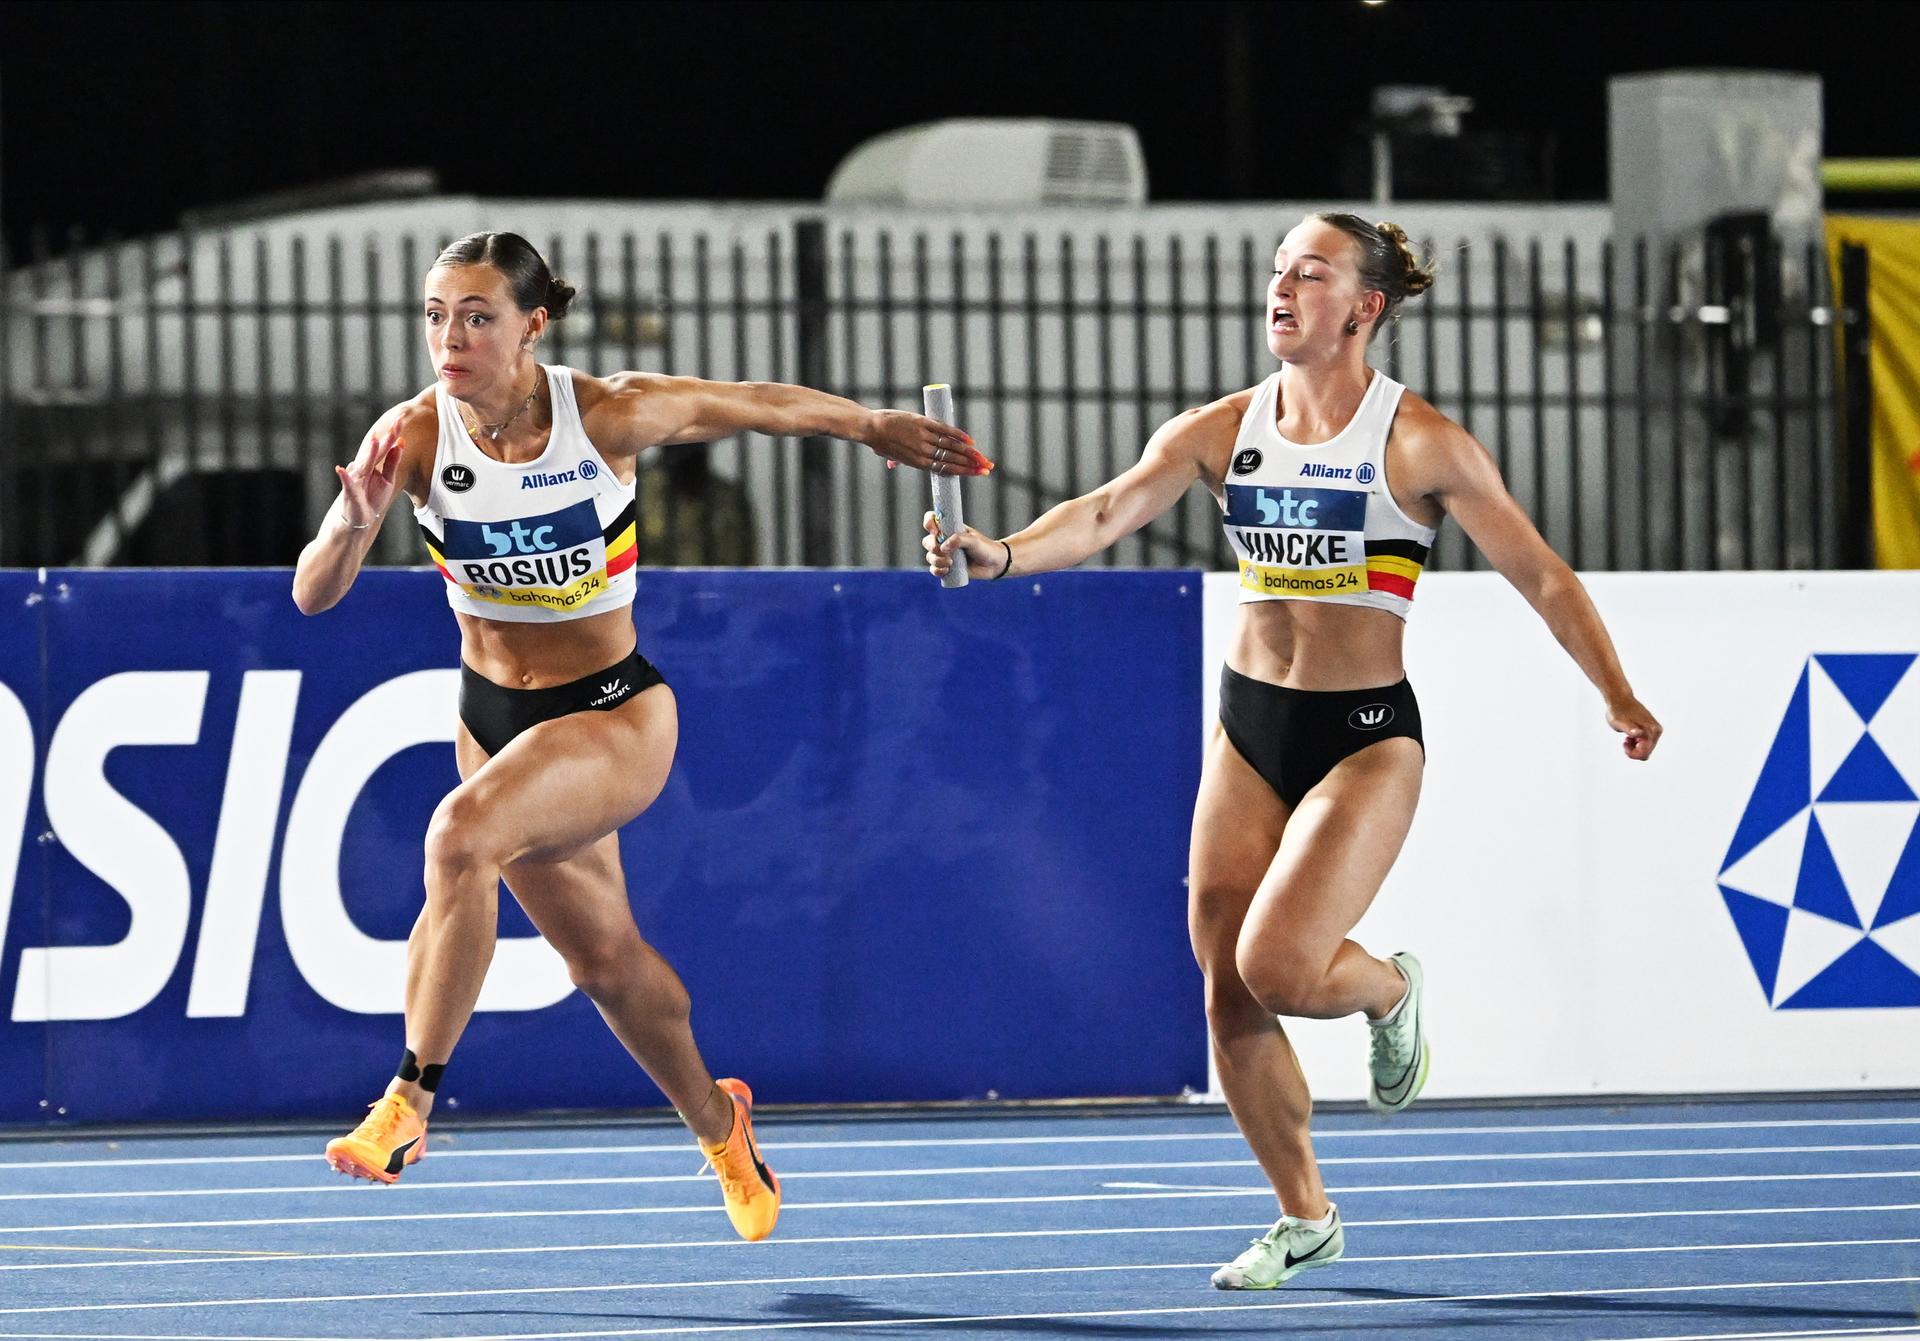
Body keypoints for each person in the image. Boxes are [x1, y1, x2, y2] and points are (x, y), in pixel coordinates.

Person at [925, 212, 1660, 1288]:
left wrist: (1617, 692)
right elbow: (1103, 511)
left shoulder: (1422, 445)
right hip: (1250, 727)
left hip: (1362, 739)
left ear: (1364, 307)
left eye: (1308, 274)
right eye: (1276, 271)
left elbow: (1543, 575)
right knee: (1225, 984)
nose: (1281, 289)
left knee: (1279, 964)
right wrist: (998, 556)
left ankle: (1387, 993)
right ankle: (1304, 1215)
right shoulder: (1224, 428)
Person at [292, 231, 987, 1242]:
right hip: (493, 726)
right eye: (437, 313)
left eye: (478, 316)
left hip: (611, 713)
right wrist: (353, 527)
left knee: (456, 840)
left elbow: (757, 404)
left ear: (533, 324)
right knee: (608, 965)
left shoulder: (606, 413)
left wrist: (870, 425)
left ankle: (408, 1103)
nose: (451, 336)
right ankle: (722, 1126)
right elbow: (313, 593)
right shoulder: (415, 437)